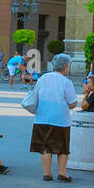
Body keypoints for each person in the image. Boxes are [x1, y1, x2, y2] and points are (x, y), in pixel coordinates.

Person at [29, 52, 79, 181]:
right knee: (62, 147)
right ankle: (62, 173)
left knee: (45, 147)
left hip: (42, 117)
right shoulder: (66, 82)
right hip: (60, 119)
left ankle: (47, 173)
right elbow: (72, 103)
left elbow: (36, 94)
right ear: (66, 67)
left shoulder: (43, 78)